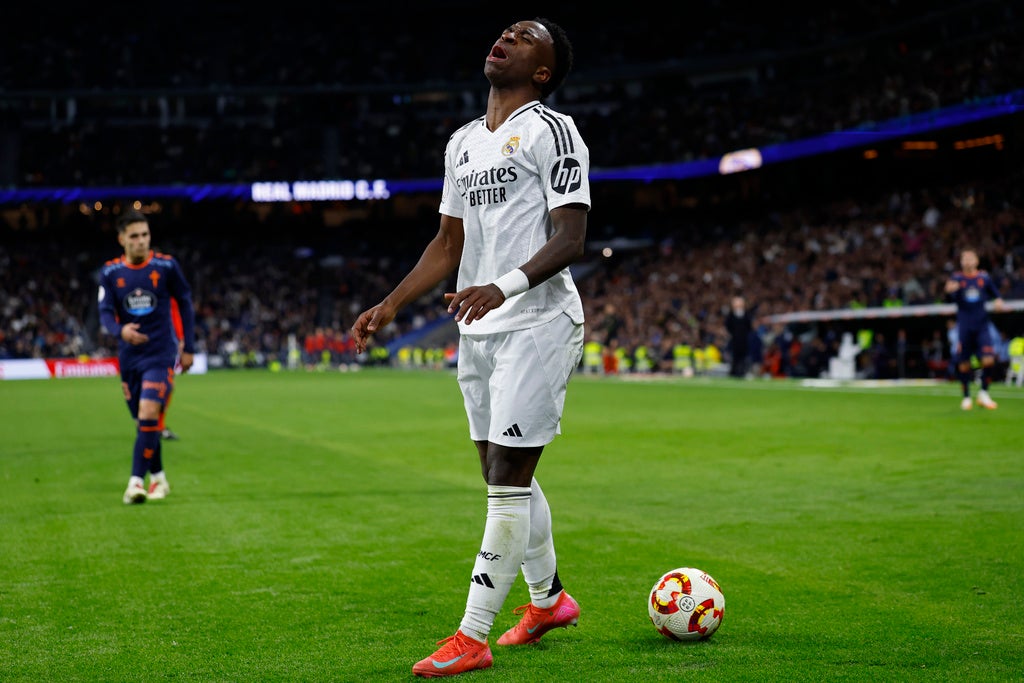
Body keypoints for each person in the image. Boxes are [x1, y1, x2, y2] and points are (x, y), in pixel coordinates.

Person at [351, 17, 588, 678]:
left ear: (542, 71)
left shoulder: (552, 131)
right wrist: (392, 303)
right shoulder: (462, 142)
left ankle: (473, 633)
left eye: (525, 37)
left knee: (507, 479)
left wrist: (501, 286)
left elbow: (571, 237)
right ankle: (549, 600)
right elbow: (448, 242)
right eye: (506, 30)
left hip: (537, 322)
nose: (506, 37)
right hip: (476, 328)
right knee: (499, 470)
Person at [98, 210, 196, 503]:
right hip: (130, 358)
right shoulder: (110, 273)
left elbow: (185, 302)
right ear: (122, 239)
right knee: (144, 422)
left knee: (149, 412)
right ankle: (160, 479)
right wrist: (120, 330)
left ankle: (135, 484)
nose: (141, 241)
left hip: (160, 354)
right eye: (134, 236)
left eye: (145, 235)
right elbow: (105, 312)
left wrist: (189, 346)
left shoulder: (166, 266)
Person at [944, 247, 1005, 410]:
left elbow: (996, 294)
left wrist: (998, 300)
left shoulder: (983, 278)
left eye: (971, 258)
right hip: (964, 326)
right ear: (961, 262)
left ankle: (984, 393)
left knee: (988, 359)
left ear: (976, 261)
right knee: (964, 364)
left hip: (982, 326)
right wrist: (949, 291)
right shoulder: (957, 278)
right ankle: (966, 397)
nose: (968, 262)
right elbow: (948, 296)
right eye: (965, 259)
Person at [160, 296, 185, 441]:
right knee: (164, 386)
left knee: (168, 385)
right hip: (153, 343)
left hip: (166, 344)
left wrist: (180, 338)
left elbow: (175, 313)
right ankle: (153, 425)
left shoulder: (170, 293)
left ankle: (157, 425)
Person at [724, 295, 752, 378]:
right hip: (735, 339)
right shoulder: (731, 315)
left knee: (743, 357)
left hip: (743, 340)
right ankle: (734, 371)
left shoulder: (746, 314)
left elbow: (749, 326)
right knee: (735, 357)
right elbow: (728, 325)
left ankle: (741, 371)